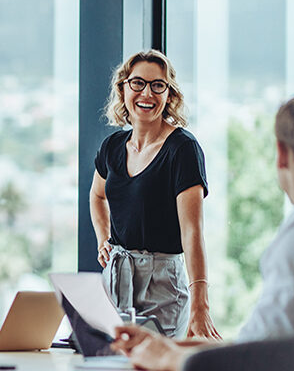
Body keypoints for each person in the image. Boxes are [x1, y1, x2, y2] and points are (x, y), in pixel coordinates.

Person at [111, 89, 294, 370]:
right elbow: (262, 342)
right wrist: (168, 345)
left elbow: (253, 361)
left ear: (281, 156)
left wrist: (167, 358)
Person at [90, 49, 219, 339]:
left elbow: (192, 232)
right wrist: (102, 239)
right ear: (123, 88)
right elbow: (97, 196)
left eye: (157, 85)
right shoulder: (112, 146)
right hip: (115, 278)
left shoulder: (183, 149)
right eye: (137, 83)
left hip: (162, 284)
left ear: (169, 95)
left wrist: (201, 304)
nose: (146, 93)